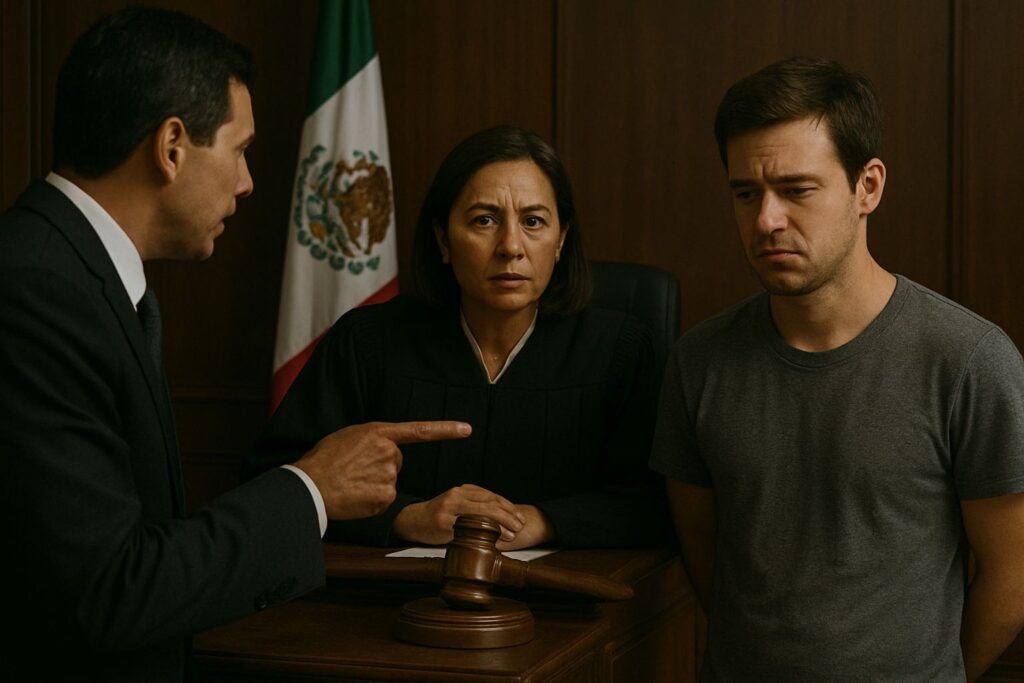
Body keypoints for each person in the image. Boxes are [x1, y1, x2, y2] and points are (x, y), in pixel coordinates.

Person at [0, 8, 468, 680]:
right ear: (172, 146)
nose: (247, 181)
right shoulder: (38, 291)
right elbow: (108, 590)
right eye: (240, 149)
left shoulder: (79, 274)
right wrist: (312, 488)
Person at [650, 56, 1024, 682]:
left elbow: (1012, 578)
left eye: (797, 190)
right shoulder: (700, 361)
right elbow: (705, 556)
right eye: (746, 194)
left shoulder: (968, 360)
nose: (766, 220)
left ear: (867, 187)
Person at [246, 125, 668, 550]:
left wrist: (540, 522)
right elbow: (281, 482)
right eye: (484, 220)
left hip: (564, 588)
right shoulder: (367, 342)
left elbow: (655, 504)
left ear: (561, 240)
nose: (510, 246)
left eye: (533, 221)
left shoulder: (621, 351)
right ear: (443, 239)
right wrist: (406, 517)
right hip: (392, 586)